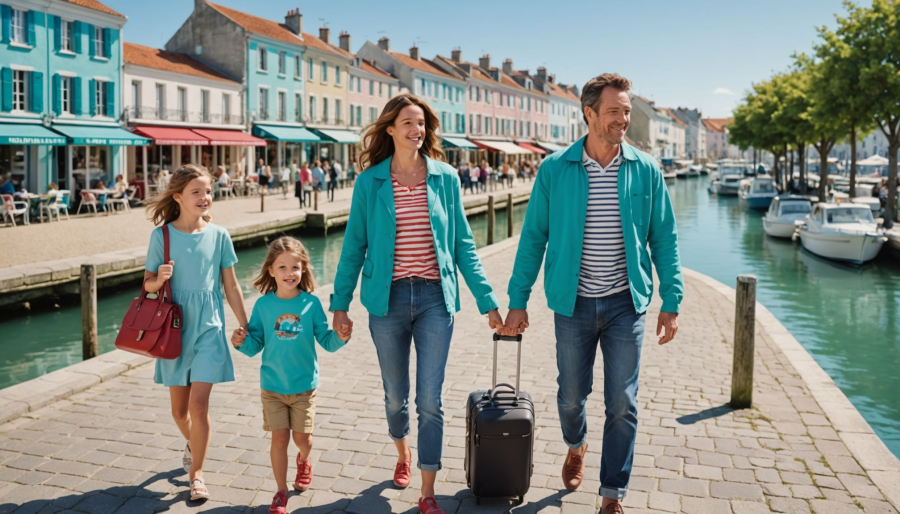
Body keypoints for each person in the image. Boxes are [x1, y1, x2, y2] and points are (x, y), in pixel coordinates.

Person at [503, 73, 683, 514]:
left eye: (627, 111)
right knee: (571, 396)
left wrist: (671, 300)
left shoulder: (645, 169)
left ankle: (612, 494)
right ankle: (576, 443)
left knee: (622, 402)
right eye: (614, 111)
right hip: (573, 303)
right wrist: (518, 300)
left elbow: (664, 237)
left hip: (626, 303)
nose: (623, 119)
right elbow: (533, 237)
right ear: (589, 114)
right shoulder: (555, 169)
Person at [330, 93, 504, 514]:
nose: (417, 129)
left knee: (430, 399)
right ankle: (402, 451)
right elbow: (353, 247)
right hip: (386, 300)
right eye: (408, 122)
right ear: (390, 129)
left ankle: (427, 490)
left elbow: (463, 245)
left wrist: (488, 302)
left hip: (433, 299)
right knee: (396, 396)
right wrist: (339, 305)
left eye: (422, 123)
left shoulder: (445, 177)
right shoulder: (370, 182)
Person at [143, 164, 249, 502]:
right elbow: (147, 286)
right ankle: (194, 443)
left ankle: (197, 475)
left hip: (209, 328)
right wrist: (159, 279)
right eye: (197, 192)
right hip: (173, 331)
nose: (205, 197)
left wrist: (245, 323)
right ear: (178, 197)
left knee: (199, 407)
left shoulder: (219, 235)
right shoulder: (161, 236)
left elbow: (231, 286)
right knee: (179, 412)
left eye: (208, 191)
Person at [232, 237, 350, 514]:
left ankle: (304, 460)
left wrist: (341, 337)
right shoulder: (263, 306)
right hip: (272, 387)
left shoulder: (311, 304)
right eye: (282, 267)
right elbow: (255, 345)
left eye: (295, 267)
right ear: (271, 271)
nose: (289, 273)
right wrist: (240, 342)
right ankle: (280, 491)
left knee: (302, 440)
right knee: (279, 439)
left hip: (304, 387)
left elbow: (326, 341)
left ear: (303, 269)